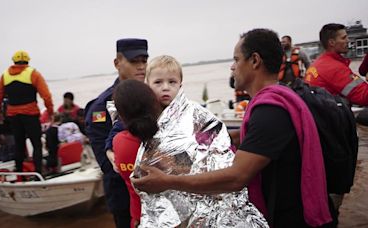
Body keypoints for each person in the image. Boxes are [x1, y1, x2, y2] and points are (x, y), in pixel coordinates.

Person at [132, 29, 335, 227]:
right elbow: (251, 140)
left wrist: (167, 181)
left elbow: (236, 178)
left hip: (291, 218)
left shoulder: (270, 112)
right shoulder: (276, 99)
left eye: (236, 60)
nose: (232, 67)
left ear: (254, 61)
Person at [130, 56, 267, 227]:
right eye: (158, 82)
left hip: (200, 196)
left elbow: (217, 145)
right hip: (164, 203)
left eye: (172, 82)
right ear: (147, 85)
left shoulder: (196, 115)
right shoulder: (146, 117)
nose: (166, 87)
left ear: (180, 84)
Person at [84, 38, 148, 228]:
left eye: (144, 60)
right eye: (134, 61)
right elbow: (107, 162)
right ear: (117, 63)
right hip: (124, 197)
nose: (141, 67)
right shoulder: (101, 108)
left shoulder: (154, 96)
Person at [0, 50, 54, 175]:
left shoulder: (5, 76)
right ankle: (38, 173)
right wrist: (50, 111)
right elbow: (46, 96)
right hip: (30, 114)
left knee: (19, 143)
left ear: (14, 61)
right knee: (36, 144)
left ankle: (19, 172)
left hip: (14, 116)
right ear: (28, 61)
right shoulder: (33, 73)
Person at [112, 80, 161, 228]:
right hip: (170, 218)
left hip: (139, 218)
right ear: (154, 105)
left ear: (120, 114)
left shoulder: (118, 142)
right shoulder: (165, 140)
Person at [305, 23, 368, 106]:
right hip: (331, 116)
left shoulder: (317, 63)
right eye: (343, 38)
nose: (348, 40)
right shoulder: (335, 68)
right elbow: (364, 96)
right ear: (332, 42)